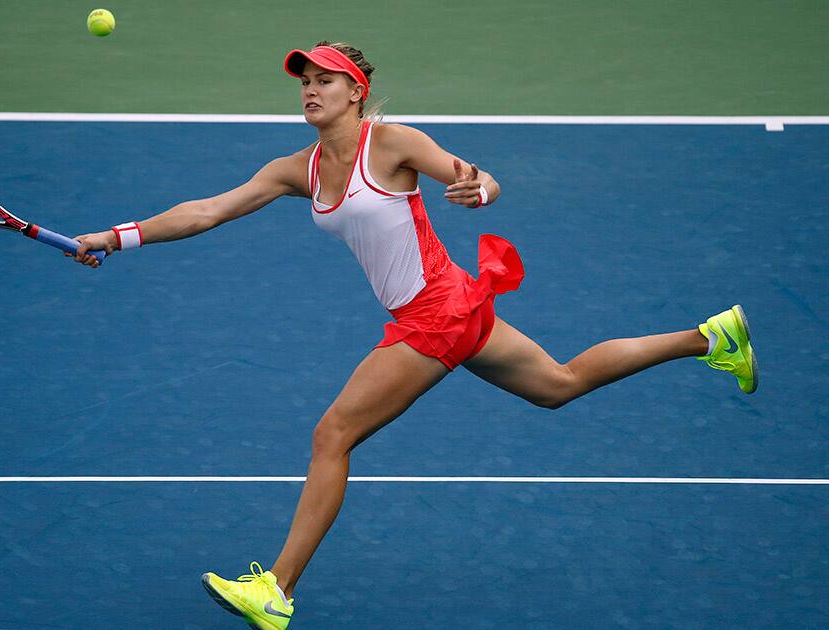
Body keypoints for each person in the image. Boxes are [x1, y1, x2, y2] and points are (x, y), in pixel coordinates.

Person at [69, 42, 758, 630]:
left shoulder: (392, 142)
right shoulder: (298, 169)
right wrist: (116, 237)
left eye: (324, 80)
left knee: (332, 435)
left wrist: (479, 192)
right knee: (558, 385)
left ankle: (275, 590)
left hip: (437, 312)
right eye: (305, 82)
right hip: (452, 301)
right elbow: (206, 211)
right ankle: (710, 338)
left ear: (356, 92)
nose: (310, 90)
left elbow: (476, 176)